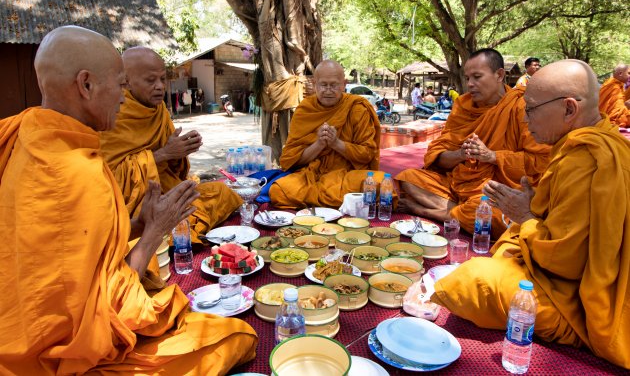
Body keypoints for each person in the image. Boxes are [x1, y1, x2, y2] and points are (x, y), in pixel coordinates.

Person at [0, 26, 257, 374]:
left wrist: (136, 223)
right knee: (233, 336)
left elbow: (83, 248)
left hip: (21, 323)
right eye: (120, 85)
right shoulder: (76, 173)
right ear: (86, 85)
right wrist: (154, 230)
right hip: (61, 357)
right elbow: (109, 308)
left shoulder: (20, 133)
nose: (123, 98)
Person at [431, 60, 630, 370]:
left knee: (474, 280)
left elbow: (565, 262)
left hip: (580, 297)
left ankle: (572, 331)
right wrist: (534, 205)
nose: (525, 117)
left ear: (568, 109)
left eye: (532, 109)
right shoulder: (587, 145)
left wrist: (525, 216)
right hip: (563, 265)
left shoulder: (586, 160)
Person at [396, 49, 550, 238]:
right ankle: (459, 213)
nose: (470, 84)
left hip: (495, 190)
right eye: (468, 78)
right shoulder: (463, 106)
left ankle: (430, 212)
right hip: (457, 185)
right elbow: (438, 154)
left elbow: (539, 164)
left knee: (487, 211)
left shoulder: (521, 107)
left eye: (477, 77)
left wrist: (492, 156)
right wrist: (461, 154)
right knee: (408, 178)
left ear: (499, 75)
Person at [100, 47, 242, 244]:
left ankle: (178, 232)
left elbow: (176, 171)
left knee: (223, 193)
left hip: (167, 190)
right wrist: (163, 154)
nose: (160, 86)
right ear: (127, 82)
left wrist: (180, 151)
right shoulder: (113, 114)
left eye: (162, 79)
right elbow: (109, 179)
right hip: (137, 203)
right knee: (160, 224)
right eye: (151, 80)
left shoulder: (159, 110)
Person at [269, 60, 390, 208]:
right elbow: (289, 160)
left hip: (347, 175)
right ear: (314, 84)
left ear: (344, 84)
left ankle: (317, 201)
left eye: (333, 85)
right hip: (313, 175)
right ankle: (344, 203)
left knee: (380, 181)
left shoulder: (357, 108)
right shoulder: (305, 110)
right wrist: (319, 144)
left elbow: (367, 154)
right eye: (323, 85)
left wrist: (336, 144)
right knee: (278, 191)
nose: (328, 90)